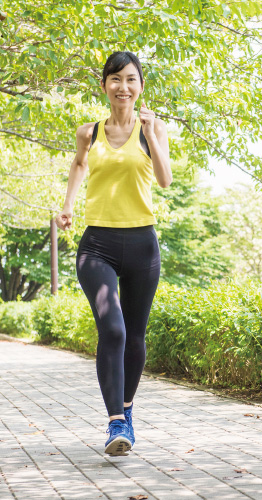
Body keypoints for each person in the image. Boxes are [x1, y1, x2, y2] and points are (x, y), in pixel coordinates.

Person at [55, 51, 172, 456]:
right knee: (114, 330)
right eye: (115, 79)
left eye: (131, 79)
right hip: (97, 245)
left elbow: (164, 179)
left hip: (142, 243)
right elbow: (78, 163)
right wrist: (68, 206)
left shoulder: (151, 130)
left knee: (136, 337)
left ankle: (127, 409)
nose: (124, 87)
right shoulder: (88, 132)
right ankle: (116, 423)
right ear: (104, 85)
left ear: (141, 87)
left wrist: (153, 133)